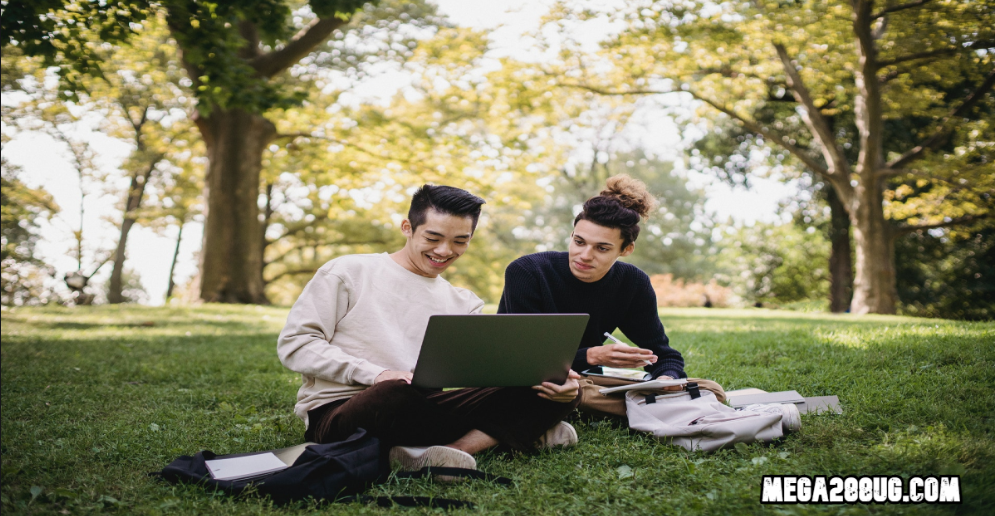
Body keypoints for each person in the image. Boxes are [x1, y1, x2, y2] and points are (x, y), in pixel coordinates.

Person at [278, 185, 581, 473]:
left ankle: (449, 450)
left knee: (558, 388)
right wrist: (377, 375)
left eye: (460, 241)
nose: (445, 251)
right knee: (394, 393)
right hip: (347, 411)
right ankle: (512, 433)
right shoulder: (347, 272)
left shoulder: (464, 302)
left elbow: (481, 374)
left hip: (423, 407)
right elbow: (297, 345)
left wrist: (550, 382)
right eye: (433, 237)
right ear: (407, 228)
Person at [498, 175, 685, 392]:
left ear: (626, 250)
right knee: (554, 393)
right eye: (579, 242)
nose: (585, 255)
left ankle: (628, 400)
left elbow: (664, 355)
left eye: (602, 248)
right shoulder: (528, 271)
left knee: (708, 389)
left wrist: (665, 381)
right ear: (571, 235)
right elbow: (523, 359)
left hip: (583, 381)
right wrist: (592, 356)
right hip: (527, 382)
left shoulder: (633, 283)